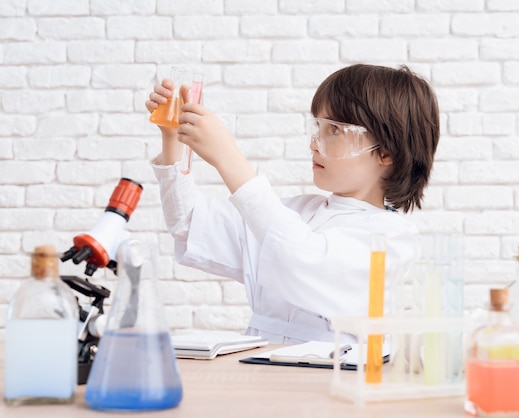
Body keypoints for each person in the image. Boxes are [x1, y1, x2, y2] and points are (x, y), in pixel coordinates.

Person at [146, 64, 440, 344]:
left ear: (386, 152)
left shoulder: (392, 238)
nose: (314, 143)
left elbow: (300, 260)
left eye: (334, 130)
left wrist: (228, 157)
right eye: (318, 127)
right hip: (259, 368)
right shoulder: (296, 212)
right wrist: (173, 140)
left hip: (328, 381)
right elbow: (189, 224)